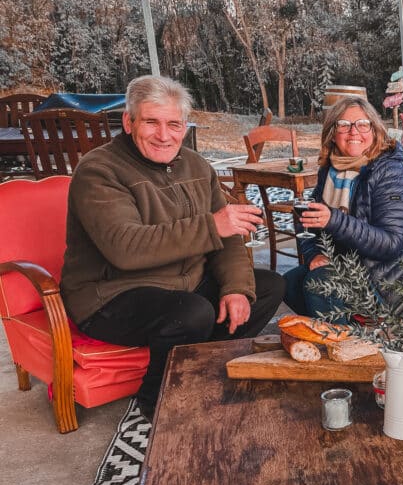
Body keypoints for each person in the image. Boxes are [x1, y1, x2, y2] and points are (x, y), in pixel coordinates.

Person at [61, 75, 285, 421]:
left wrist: (237, 288)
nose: (164, 135)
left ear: (184, 127)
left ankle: (199, 370)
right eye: (151, 122)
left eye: (173, 124)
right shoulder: (99, 170)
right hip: (111, 294)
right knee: (192, 311)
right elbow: (126, 248)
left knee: (268, 286)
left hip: (183, 284)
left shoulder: (196, 166)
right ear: (128, 121)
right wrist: (213, 225)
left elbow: (226, 238)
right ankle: (157, 400)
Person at [282, 96, 403, 318]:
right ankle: (345, 332)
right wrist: (313, 254)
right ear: (333, 133)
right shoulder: (330, 170)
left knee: (320, 285)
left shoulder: (390, 172)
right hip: (360, 264)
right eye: (344, 125)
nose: (354, 132)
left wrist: (334, 220)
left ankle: (349, 344)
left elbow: (391, 244)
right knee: (288, 284)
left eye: (362, 124)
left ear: (375, 130)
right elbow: (309, 220)